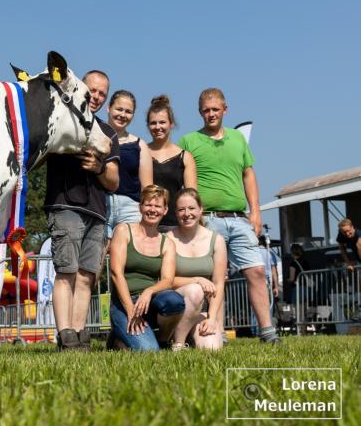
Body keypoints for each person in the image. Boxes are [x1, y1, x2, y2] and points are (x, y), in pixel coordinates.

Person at [178, 87, 281, 344]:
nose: (211, 114)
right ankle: (217, 332)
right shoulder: (189, 141)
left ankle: (267, 331)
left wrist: (255, 212)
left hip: (238, 217)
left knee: (257, 270)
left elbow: (249, 174)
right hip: (208, 219)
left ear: (225, 110)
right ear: (199, 112)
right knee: (216, 278)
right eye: (206, 110)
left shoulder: (237, 139)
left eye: (215, 109)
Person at [45, 70, 120, 351]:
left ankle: (78, 333)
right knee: (66, 271)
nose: (97, 97)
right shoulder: (61, 120)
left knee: (87, 275)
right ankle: (64, 334)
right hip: (65, 204)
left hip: (97, 212)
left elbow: (113, 181)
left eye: (102, 93)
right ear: (81, 89)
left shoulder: (107, 131)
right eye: (93, 91)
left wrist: (99, 167)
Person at [109, 185, 185, 351]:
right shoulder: (124, 231)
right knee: (149, 351)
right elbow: (116, 273)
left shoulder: (167, 243)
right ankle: (118, 336)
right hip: (124, 303)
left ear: (165, 210)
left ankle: (163, 340)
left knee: (175, 301)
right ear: (140, 207)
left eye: (158, 206)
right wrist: (130, 311)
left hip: (151, 301)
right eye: (148, 205)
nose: (152, 210)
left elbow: (167, 280)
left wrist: (149, 291)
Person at [166, 188, 227, 350]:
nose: (187, 213)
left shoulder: (217, 240)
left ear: (201, 210)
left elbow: (218, 283)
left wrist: (212, 318)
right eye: (181, 209)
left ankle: (192, 336)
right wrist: (198, 280)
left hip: (201, 310)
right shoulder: (168, 240)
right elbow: (166, 281)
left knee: (212, 348)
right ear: (176, 213)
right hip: (173, 310)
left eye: (192, 208)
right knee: (195, 290)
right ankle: (178, 343)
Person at [105, 90, 153, 240]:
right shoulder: (94, 136)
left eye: (128, 112)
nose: (123, 115)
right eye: (119, 109)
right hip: (100, 204)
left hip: (130, 209)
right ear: (109, 108)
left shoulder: (139, 145)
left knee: (129, 258)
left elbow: (147, 187)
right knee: (95, 257)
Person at [146, 95, 197, 232]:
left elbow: (192, 197)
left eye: (162, 122)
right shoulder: (141, 152)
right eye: (153, 123)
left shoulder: (185, 157)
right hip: (146, 225)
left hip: (176, 227)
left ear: (171, 124)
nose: (157, 127)